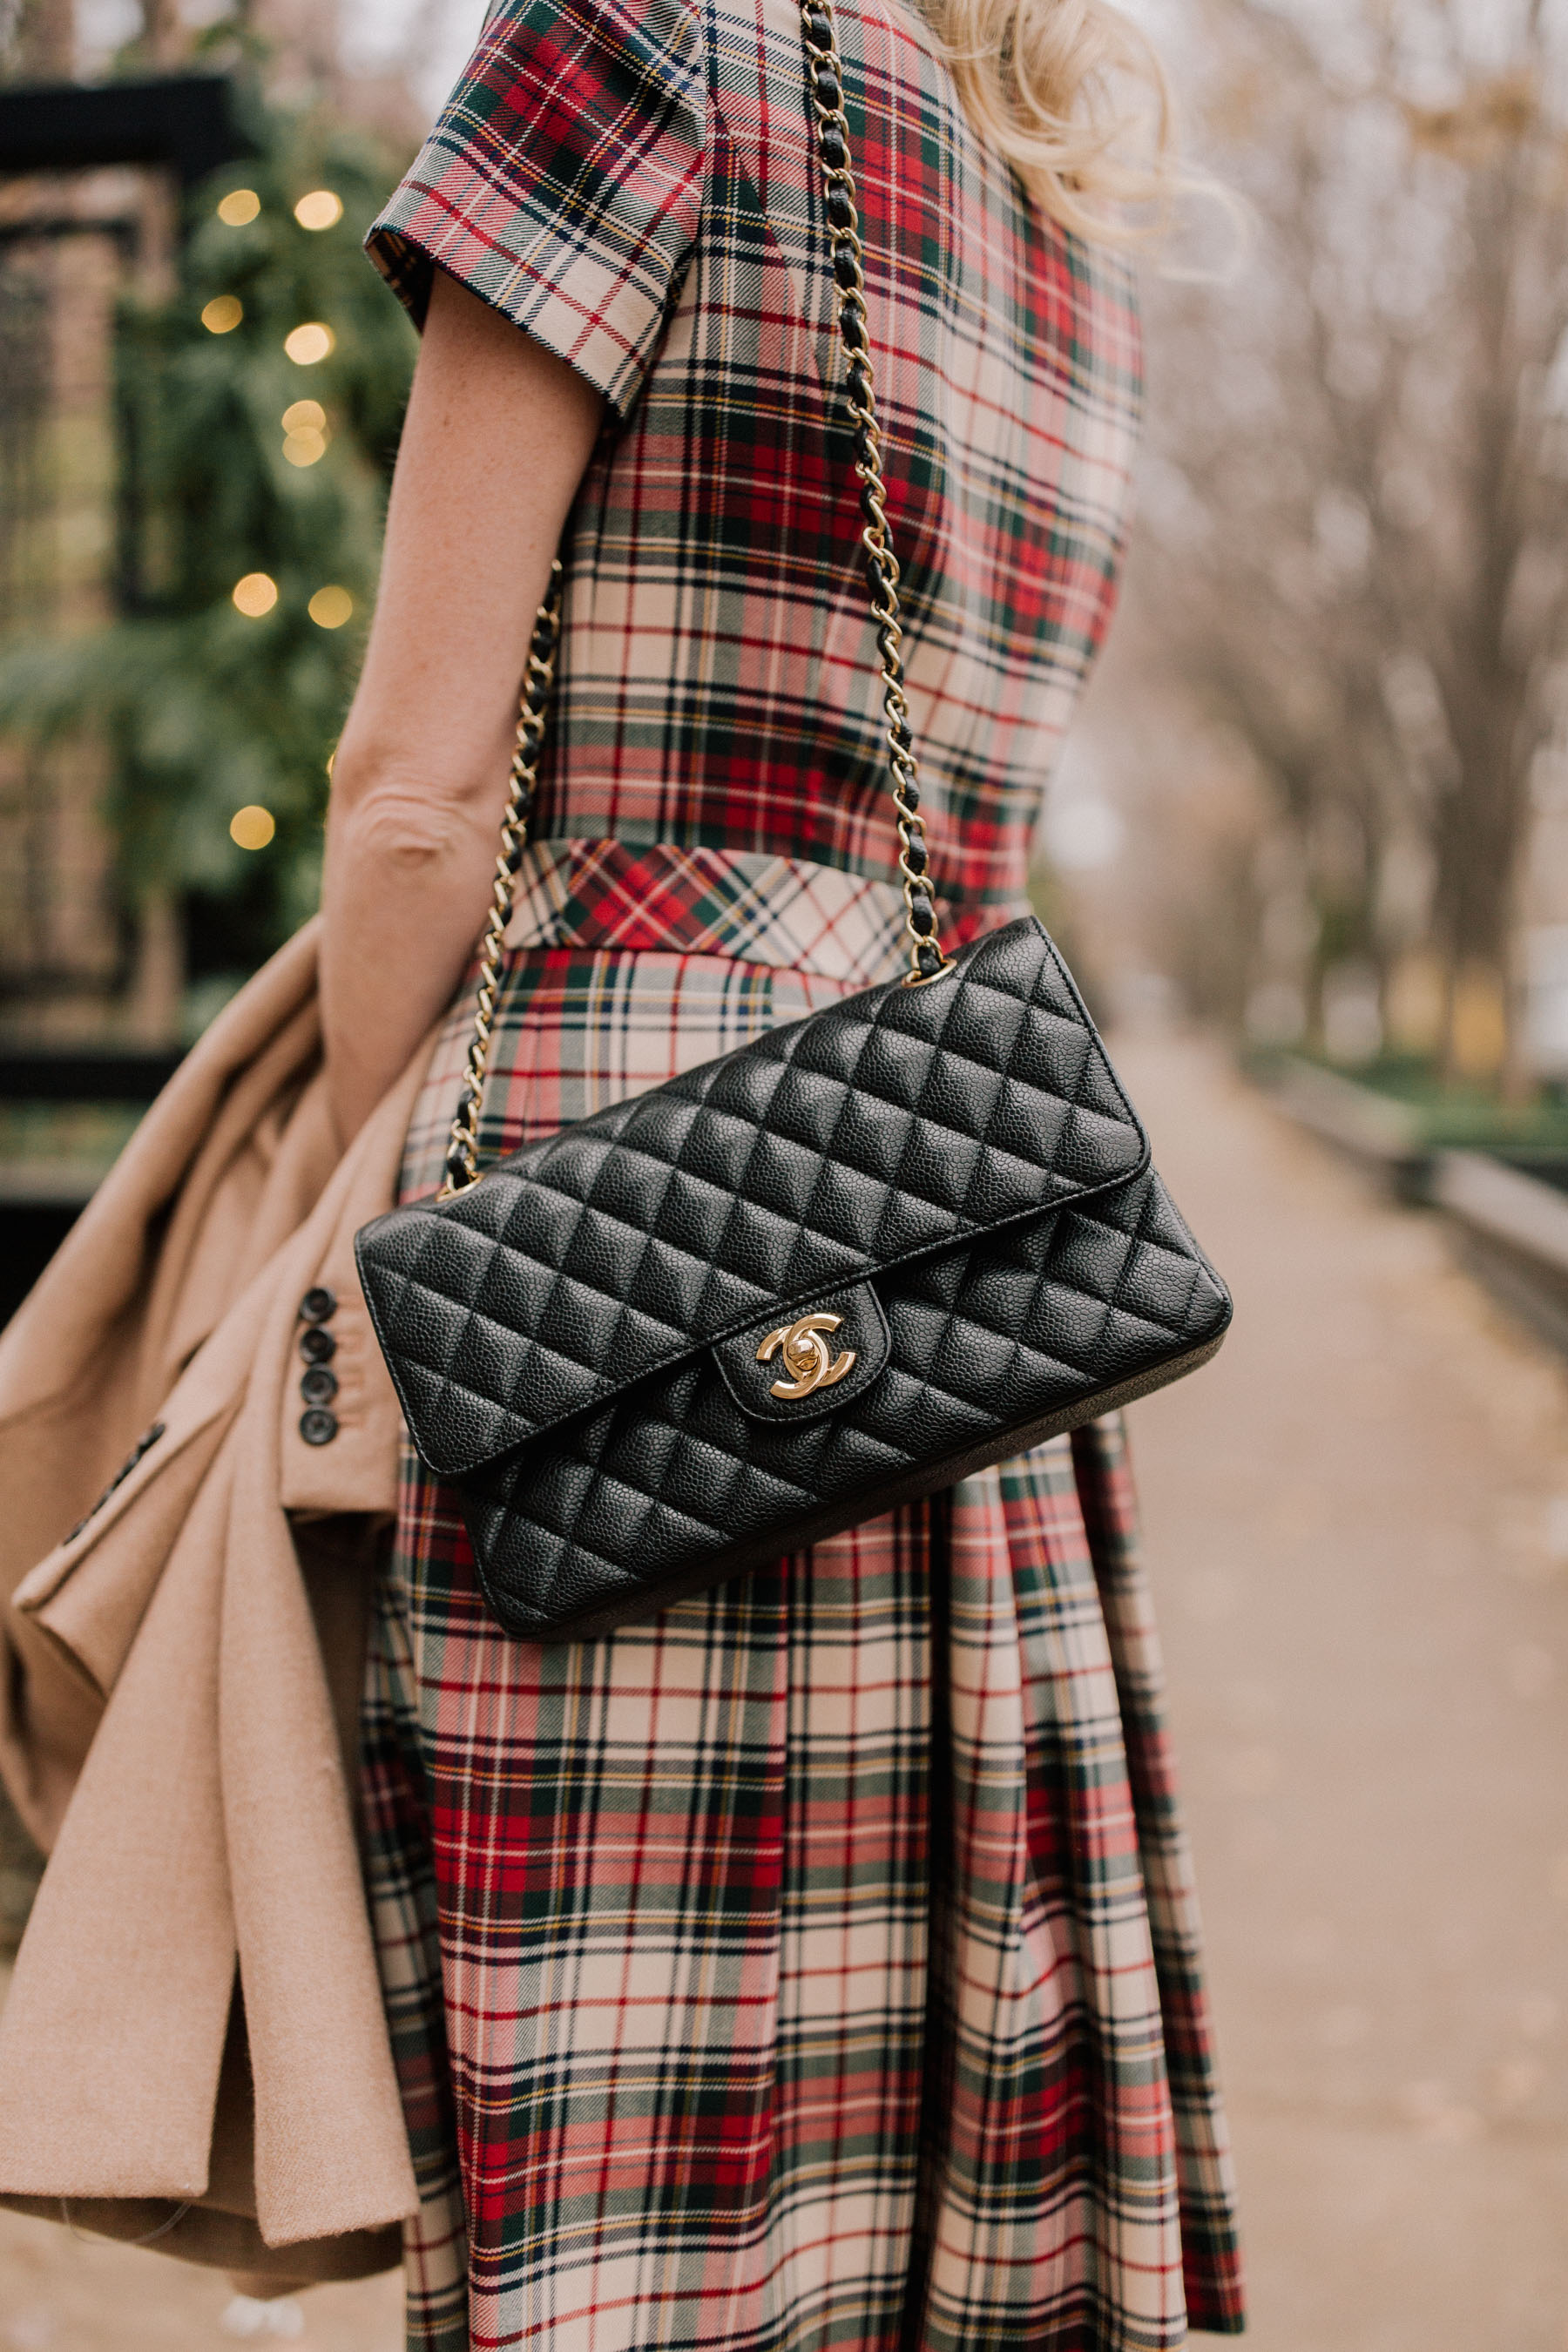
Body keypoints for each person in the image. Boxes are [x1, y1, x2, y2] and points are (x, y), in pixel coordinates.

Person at [326, 0, 1246, 2343]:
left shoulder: (630, 48)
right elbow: (985, 842)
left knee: (613, 2171)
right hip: (944, 1240)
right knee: (903, 2159)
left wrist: (335, 1236)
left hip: (607, 1235)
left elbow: (418, 791)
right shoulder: (1065, 221)